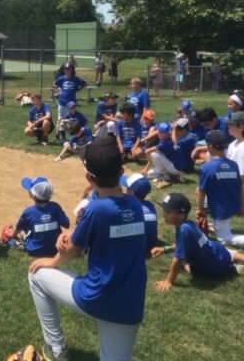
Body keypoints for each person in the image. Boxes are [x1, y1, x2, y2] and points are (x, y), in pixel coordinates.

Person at [28, 136, 146, 361]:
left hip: (96, 295)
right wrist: (75, 233)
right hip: (129, 306)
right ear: (121, 171)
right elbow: (109, 226)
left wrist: (52, 262)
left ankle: (56, 349)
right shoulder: (135, 206)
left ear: (89, 178)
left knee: (36, 274)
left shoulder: (96, 209)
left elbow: (74, 250)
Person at [152, 193, 244, 291]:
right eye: (164, 210)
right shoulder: (190, 224)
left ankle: (233, 267)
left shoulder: (183, 230)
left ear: (181, 214)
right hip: (221, 254)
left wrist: (168, 281)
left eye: (168, 212)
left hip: (212, 270)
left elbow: (177, 258)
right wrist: (164, 249)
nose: (164, 214)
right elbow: (182, 245)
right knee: (221, 249)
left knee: (185, 263)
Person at [14, 177, 70, 257]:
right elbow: (67, 224)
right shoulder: (55, 207)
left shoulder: (28, 212)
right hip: (55, 249)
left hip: (35, 250)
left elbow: (18, 229)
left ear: (33, 196)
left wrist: (13, 236)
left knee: (16, 235)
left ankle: (16, 244)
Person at [120, 173, 162, 253]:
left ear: (131, 192)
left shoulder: (125, 207)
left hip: (130, 247)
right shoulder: (151, 206)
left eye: (127, 187)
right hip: (149, 245)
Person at [141, 121, 184, 189]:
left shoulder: (165, 143)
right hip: (173, 165)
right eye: (159, 131)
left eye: (162, 132)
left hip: (175, 168)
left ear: (168, 134)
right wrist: (146, 169)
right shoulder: (167, 139)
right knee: (148, 175)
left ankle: (165, 176)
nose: (159, 133)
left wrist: (145, 168)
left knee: (154, 154)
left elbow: (147, 151)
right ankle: (172, 175)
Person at [52, 63, 87, 142]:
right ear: (64, 70)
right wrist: (60, 89)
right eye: (66, 69)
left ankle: (75, 135)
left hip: (71, 103)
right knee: (61, 118)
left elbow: (85, 83)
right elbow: (54, 84)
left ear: (71, 70)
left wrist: (78, 89)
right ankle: (62, 136)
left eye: (69, 69)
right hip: (62, 101)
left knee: (72, 119)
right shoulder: (61, 78)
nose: (67, 70)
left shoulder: (75, 79)